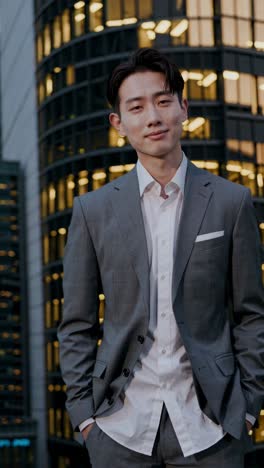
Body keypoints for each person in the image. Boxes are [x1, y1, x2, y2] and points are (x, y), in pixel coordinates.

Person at [58, 48, 264, 467]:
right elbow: (77, 324)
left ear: (183, 108)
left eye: (163, 100)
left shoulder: (231, 202)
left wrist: (247, 405)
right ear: (119, 123)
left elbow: (251, 314)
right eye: (136, 107)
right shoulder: (92, 211)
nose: (153, 116)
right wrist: (84, 418)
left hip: (212, 428)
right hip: (118, 428)